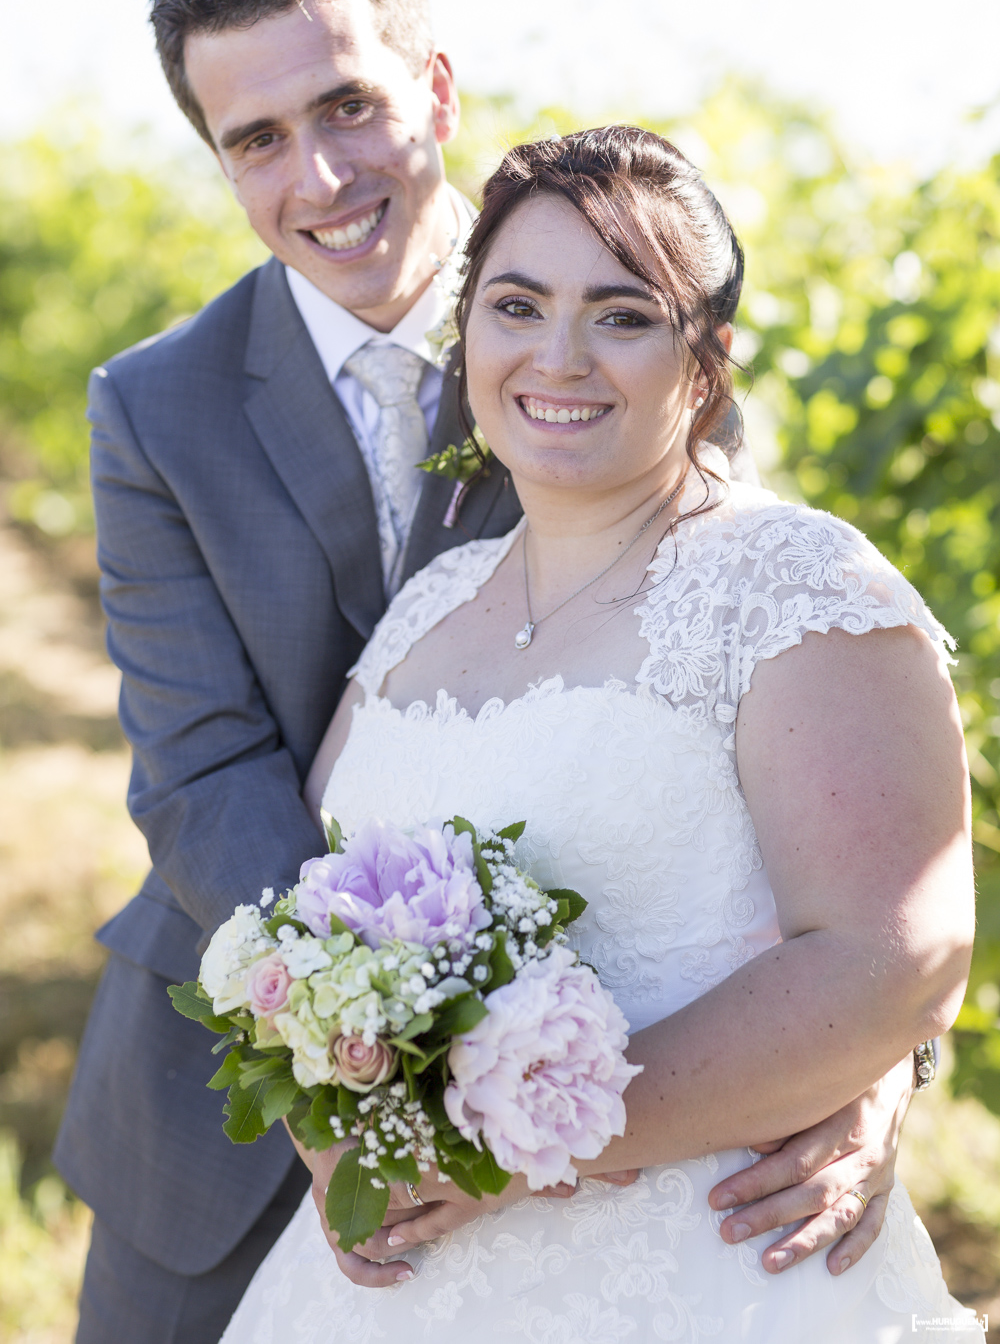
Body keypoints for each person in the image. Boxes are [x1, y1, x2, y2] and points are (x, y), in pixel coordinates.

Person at [52, 0, 932, 1344]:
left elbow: (798, 717)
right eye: (255, 139)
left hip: (616, 1104)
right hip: (229, 1089)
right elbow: (201, 769)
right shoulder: (154, 406)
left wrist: (870, 1055)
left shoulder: (623, 316)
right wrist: (353, 1048)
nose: (320, 175)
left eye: (349, 104)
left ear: (438, 89)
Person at [220, 126, 981, 1343]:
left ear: (707, 361)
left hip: (711, 1267)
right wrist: (334, 1094)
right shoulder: (428, 606)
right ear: (468, 333)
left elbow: (891, 958)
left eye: (622, 316)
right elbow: (314, 915)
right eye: (516, 306)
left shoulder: (793, 585)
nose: (558, 355)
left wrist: (511, 1146)